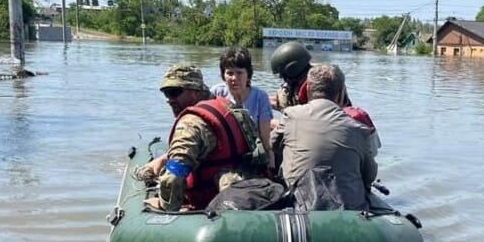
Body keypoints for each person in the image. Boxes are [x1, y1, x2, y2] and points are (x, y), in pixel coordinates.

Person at [136, 64, 267, 211]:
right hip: (246, 192)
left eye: (174, 92)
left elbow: (173, 176)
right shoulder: (229, 107)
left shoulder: (191, 124)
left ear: (195, 91)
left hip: (212, 205)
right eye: (166, 93)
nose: (169, 100)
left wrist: (165, 207)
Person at [276, 63, 376, 211]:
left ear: (308, 89)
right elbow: (370, 175)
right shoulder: (358, 129)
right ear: (342, 93)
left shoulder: (291, 115)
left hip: (301, 206)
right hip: (349, 211)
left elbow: (273, 146)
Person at [211, 47, 274, 175]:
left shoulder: (260, 97)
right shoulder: (216, 93)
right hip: (222, 153)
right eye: (229, 73)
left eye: (239, 73)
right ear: (223, 75)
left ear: (248, 74)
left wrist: (270, 166)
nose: (234, 78)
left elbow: (265, 138)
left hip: (250, 155)